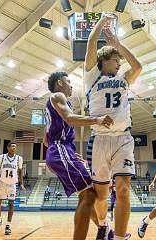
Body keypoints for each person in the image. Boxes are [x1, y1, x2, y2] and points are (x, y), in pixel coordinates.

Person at [84, 12, 142, 240]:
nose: (120, 64)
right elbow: (91, 42)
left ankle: (119, 237)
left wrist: (119, 44)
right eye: (116, 60)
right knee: (101, 194)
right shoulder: (91, 76)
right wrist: (101, 22)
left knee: (124, 190)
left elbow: (138, 66)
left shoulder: (124, 78)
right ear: (105, 60)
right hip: (100, 138)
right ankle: (102, 225)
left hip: (123, 139)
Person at [44, 71, 113, 240]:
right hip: (60, 150)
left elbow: (46, 140)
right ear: (60, 83)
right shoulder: (58, 96)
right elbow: (69, 118)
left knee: (86, 196)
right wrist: (96, 119)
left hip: (60, 151)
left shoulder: (53, 105)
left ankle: (105, 231)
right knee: (89, 195)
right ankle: (105, 230)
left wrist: (70, 154)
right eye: (68, 81)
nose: (72, 85)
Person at [0, 142, 25, 235]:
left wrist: (21, 184)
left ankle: (8, 225)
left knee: (11, 204)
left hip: (12, 184)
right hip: (2, 183)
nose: (14, 147)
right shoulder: (2, 157)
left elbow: (20, 171)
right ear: (8, 147)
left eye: (15, 146)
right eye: (12, 146)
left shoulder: (19, 158)